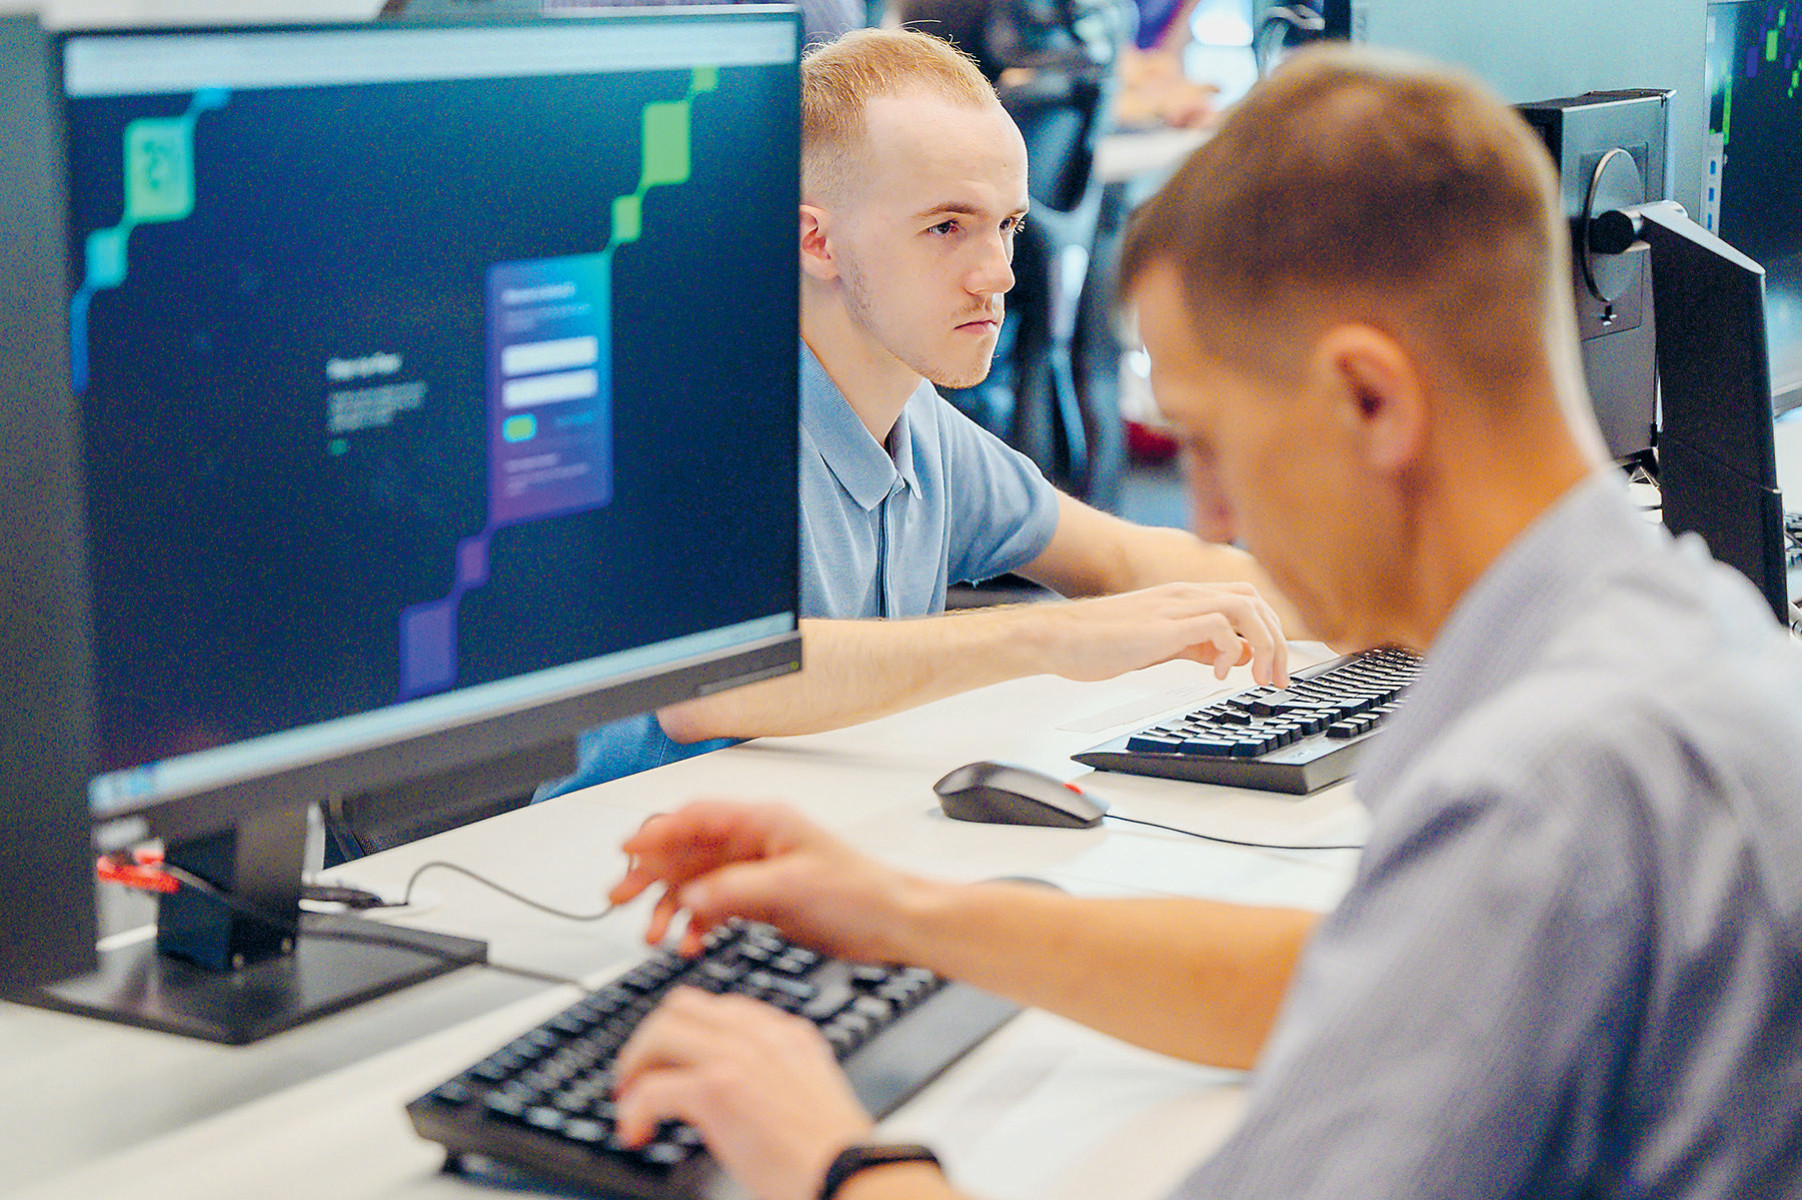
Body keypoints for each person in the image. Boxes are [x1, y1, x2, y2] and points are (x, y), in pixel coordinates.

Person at [594, 44, 1802, 1200]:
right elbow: (1348, 986)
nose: (1213, 516)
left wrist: (831, 1162)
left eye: (1208, 442)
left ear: (1368, 400)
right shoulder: (1669, 632)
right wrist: (907, 916)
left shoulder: (1543, 792)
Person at [542, 28, 1299, 800]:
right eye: (946, 227)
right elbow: (717, 686)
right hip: (611, 853)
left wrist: (1366, 600)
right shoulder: (701, 411)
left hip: (810, 839)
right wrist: (1050, 634)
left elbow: (1125, 562)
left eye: (1007, 226)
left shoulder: (917, 422)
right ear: (816, 240)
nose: (998, 276)